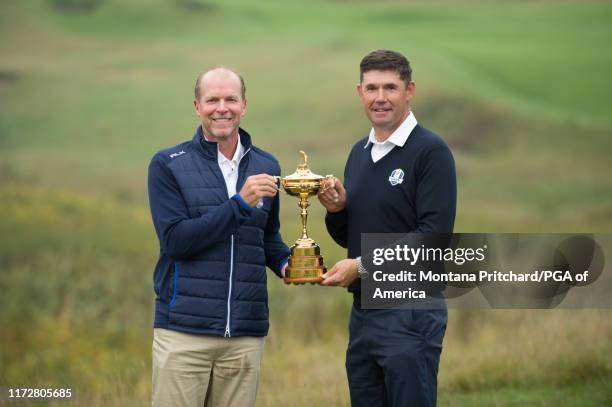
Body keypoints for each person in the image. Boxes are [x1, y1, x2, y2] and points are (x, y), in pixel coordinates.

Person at [318, 50, 457, 406]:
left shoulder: (430, 151)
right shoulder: (359, 153)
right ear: (360, 92)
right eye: (372, 88)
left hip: (411, 312)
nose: (380, 98)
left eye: (390, 88)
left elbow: (433, 237)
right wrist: (337, 212)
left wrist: (361, 266)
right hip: (363, 315)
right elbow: (353, 236)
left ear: (409, 91)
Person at [147, 66, 290, 407]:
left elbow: (267, 238)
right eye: (212, 100)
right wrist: (240, 204)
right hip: (183, 333)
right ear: (197, 106)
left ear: (244, 105)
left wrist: (287, 263)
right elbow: (176, 241)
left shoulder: (267, 164)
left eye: (231, 99)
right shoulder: (168, 164)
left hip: (245, 335)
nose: (221, 108)